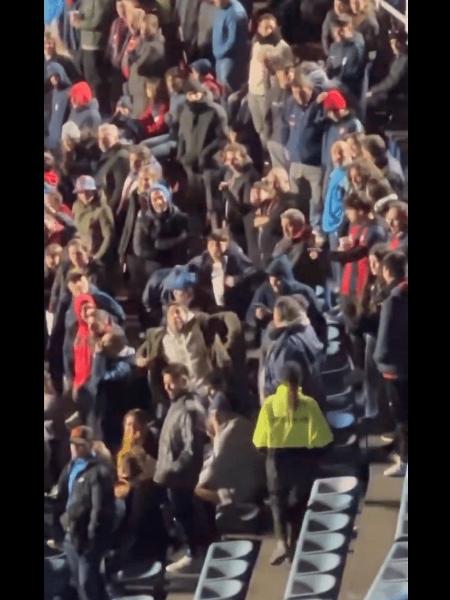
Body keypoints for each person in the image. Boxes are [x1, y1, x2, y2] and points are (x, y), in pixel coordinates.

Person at [253, 362, 333, 564]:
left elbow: (259, 441)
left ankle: (281, 543)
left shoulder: (270, 405)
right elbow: (323, 438)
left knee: (277, 501)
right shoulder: (309, 404)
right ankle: (294, 539)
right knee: (298, 502)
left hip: (277, 459)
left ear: (278, 381)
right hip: (303, 459)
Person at [136, 302, 243, 408]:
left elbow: (229, 316)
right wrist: (140, 359)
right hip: (183, 395)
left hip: (208, 388)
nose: (176, 316)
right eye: (173, 313)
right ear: (167, 319)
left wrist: (231, 341)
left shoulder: (199, 325)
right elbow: (140, 352)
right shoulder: (160, 338)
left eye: (179, 312)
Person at [153, 363, 206, 573]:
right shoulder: (176, 404)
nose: (168, 388)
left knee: (185, 514)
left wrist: (172, 469)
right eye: (165, 384)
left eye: (172, 383)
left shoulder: (188, 408)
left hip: (181, 478)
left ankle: (194, 554)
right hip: (170, 476)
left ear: (184, 380)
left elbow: (191, 448)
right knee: (177, 513)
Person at [53, 425, 115, 600]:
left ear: (89, 445)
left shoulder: (99, 472)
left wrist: (92, 536)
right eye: (73, 443)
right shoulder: (70, 468)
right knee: (80, 582)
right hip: (70, 534)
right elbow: (61, 498)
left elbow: (99, 507)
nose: (75, 447)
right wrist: (58, 526)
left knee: (87, 582)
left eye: (80, 444)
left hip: (87, 538)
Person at [195, 392, 265, 506]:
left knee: (196, 489)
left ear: (215, 416)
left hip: (239, 498)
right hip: (258, 487)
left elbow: (213, 469)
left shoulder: (225, 437)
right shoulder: (244, 423)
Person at [374, 251, 408, 477]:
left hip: (395, 370)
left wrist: (379, 360)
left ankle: (404, 460)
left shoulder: (392, 299)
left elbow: (384, 340)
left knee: (402, 416)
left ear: (386, 271)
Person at [247, 255, 326, 346]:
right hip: (273, 342)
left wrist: (320, 345)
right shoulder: (264, 290)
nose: (275, 287)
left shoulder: (304, 292)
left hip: (300, 341)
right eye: (272, 283)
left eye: (278, 281)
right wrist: (257, 316)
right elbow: (250, 314)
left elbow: (319, 321)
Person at [260, 296, 325, 405]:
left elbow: (282, 381)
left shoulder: (288, 346)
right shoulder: (307, 329)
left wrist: (267, 390)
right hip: (314, 399)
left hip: (293, 408)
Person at [282, 71, 326, 230]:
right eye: (295, 92)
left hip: (314, 162)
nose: (299, 97)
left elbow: (309, 124)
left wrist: (315, 106)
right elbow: (285, 125)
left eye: (302, 92)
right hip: (295, 161)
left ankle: (316, 230)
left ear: (310, 88)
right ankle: (297, 228)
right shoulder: (290, 103)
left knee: (316, 201)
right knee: (295, 199)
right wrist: (285, 145)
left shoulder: (320, 103)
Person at [247, 13, 293, 142]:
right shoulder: (256, 43)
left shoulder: (283, 47)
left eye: (272, 27)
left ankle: (270, 157)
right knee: (259, 129)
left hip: (267, 94)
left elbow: (285, 73)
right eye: (266, 27)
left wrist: (269, 64)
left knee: (267, 130)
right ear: (259, 29)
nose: (270, 30)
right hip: (253, 91)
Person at [69, 0, 115, 114]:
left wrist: (79, 24)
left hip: (95, 44)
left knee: (95, 80)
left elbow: (98, 21)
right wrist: (77, 15)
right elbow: (85, 13)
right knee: (86, 77)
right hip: (84, 44)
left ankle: (101, 110)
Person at [128, 13, 166, 118]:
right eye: (142, 28)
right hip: (137, 87)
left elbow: (140, 66)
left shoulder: (154, 46)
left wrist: (132, 56)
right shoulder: (143, 42)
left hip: (145, 89)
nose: (143, 32)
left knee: (142, 118)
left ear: (154, 28)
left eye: (146, 29)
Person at [72, 175, 115, 265]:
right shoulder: (76, 207)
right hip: (82, 253)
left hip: (97, 258)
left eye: (87, 192)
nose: (84, 195)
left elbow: (108, 237)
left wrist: (96, 257)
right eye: (80, 192)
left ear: (94, 191)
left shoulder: (102, 210)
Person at [326, 14, 367, 102]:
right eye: (335, 30)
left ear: (349, 29)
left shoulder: (355, 48)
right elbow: (329, 66)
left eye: (341, 30)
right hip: (334, 87)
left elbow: (352, 75)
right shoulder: (334, 46)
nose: (338, 34)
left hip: (349, 93)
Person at [212, 0, 249, 95]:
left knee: (227, 93)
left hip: (229, 61)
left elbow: (233, 41)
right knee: (220, 91)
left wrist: (219, 52)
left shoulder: (236, 13)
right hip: (219, 58)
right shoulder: (222, 8)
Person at [264, 59, 293, 171]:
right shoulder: (271, 94)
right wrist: (267, 139)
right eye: (283, 73)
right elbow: (267, 119)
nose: (287, 77)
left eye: (288, 73)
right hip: (275, 141)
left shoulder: (295, 93)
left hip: (291, 143)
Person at [95, 124, 131, 214]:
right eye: (100, 137)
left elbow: (119, 189)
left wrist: (109, 210)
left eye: (107, 136)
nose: (102, 140)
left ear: (116, 137)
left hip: (109, 210)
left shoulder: (121, 157)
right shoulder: (105, 155)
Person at [45, 62, 73, 151]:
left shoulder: (70, 92)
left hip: (62, 140)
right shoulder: (53, 93)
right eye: (51, 77)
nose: (54, 79)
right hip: (51, 139)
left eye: (56, 75)